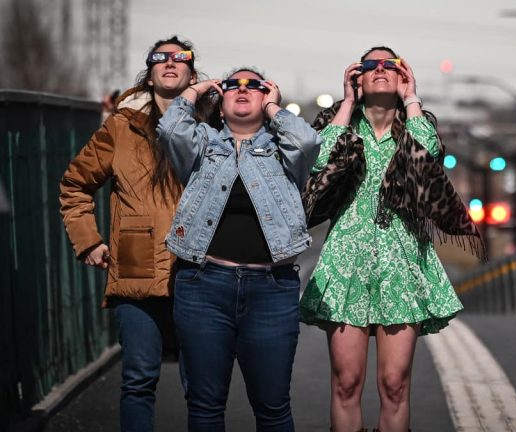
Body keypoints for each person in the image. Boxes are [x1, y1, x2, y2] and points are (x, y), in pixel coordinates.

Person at [299, 47, 484, 432]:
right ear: (357, 79)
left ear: (403, 77)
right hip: (346, 261)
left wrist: (412, 98)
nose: (381, 70)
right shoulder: (341, 124)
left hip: (402, 263)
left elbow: (426, 158)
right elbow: (319, 164)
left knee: (394, 385)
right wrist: (347, 104)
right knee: (346, 383)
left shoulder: (417, 124)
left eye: (391, 65)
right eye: (370, 66)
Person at [157, 67, 321, 431]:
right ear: (220, 101)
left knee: (273, 407)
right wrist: (197, 89)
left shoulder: (283, 151)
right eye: (233, 86)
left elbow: (308, 142)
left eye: (255, 86)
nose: (243, 90)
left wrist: (275, 109)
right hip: (203, 287)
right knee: (204, 405)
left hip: (271, 290)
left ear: (266, 97)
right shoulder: (202, 146)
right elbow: (169, 129)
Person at [60, 35, 208, 431]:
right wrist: (88, 240)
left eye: (181, 58)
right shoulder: (122, 126)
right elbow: (75, 184)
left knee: (203, 388)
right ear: (150, 70)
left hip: (198, 268)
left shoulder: (213, 122)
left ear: (193, 71)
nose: (171, 63)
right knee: (138, 379)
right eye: (161, 58)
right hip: (136, 265)